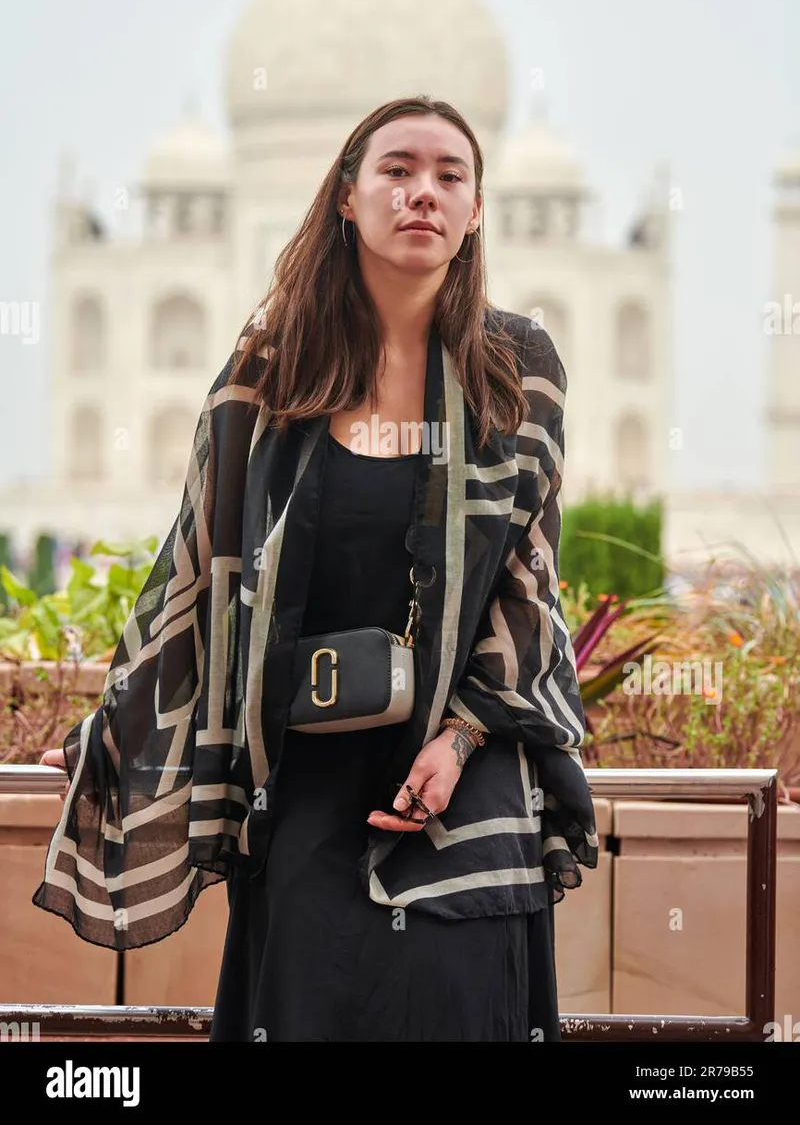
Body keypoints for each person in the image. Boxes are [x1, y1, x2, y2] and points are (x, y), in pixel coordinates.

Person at [35, 94, 598, 1043]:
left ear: (476, 209)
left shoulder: (516, 368)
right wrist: (120, 724)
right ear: (345, 196)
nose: (423, 194)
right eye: (397, 171)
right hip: (306, 778)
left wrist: (457, 741)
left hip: (465, 774)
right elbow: (200, 568)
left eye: (449, 176)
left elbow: (526, 583)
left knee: (457, 1008)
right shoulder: (275, 371)